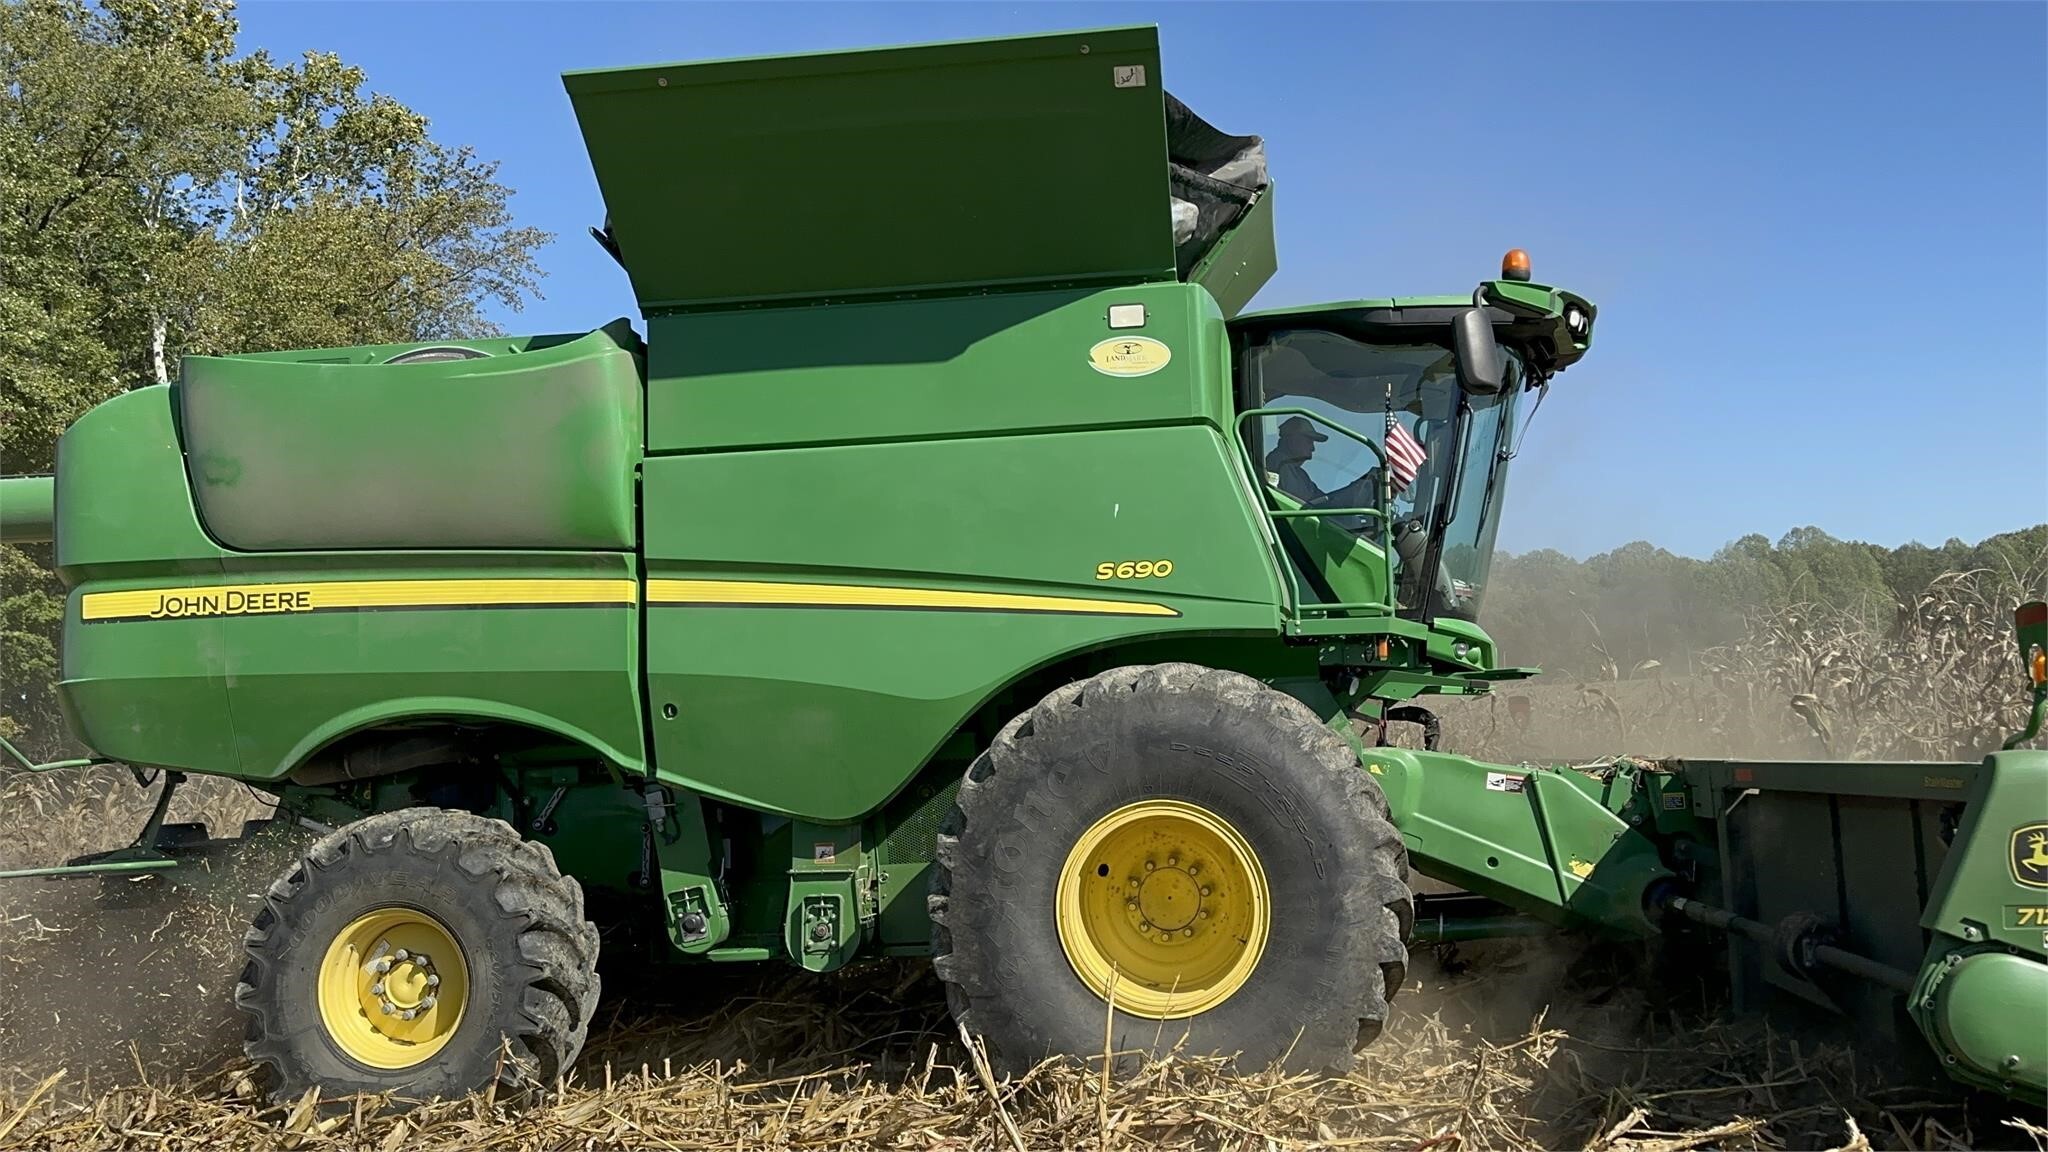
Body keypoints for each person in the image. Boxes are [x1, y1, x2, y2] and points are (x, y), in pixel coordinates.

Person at [1265, 416, 1379, 510]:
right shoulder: (1279, 464)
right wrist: (1361, 487)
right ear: (1293, 440)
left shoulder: (1298, 473)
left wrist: (1361, 487)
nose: (1313, 448)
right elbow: (1309, 506)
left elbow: (1323, 500)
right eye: (1309, 441)